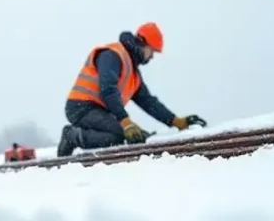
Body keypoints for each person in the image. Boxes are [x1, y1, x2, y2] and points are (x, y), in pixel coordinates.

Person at [56, 23, 207, 157]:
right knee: (119, 135)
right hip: (81, 107)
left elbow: (148, 102)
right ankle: (72, 136)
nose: (152, 57)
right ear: (142, 43)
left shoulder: (133, 74)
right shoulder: (112, 55)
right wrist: (125, 121)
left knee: (138, 136)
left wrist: (176, 121)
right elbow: (107, 89)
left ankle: (79, 135)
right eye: (152, 51)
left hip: (98, 111)